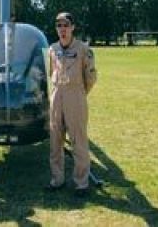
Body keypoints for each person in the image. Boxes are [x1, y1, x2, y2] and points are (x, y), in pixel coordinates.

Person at [46, 12, 97, 197]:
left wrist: (79, 94)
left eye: (66, 25)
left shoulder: (83, 49)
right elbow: (52, 71)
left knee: (79, 141)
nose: (62, 29)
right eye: (59, 25)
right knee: (55, 141)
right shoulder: (52, 49)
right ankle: (57, 179)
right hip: (56, 94)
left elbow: (90, 78)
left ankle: (81, 182)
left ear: (73, 27)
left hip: (75, 95)